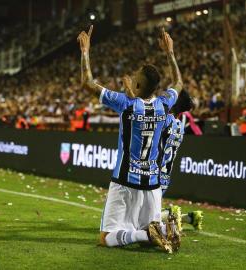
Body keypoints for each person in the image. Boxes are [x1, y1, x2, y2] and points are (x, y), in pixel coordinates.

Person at [77, 26, 183, 253]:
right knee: (143, 230)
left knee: (106, 237)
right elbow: (179, 83)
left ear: (136, 86)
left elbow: (87, 82)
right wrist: (170, 54)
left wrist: (85, 51)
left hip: (125, 183)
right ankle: (159, 230)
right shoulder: (164, 104)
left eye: (135, 76)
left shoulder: (125, 104)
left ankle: (146, 234)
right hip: (152, 187)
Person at [157, 90, 204, 234]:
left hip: (154, 175)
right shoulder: (180, 126)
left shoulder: (165, 121)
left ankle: (173, 214)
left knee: (140, 220)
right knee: (144, 216)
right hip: (165, 176)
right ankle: (190, 218)